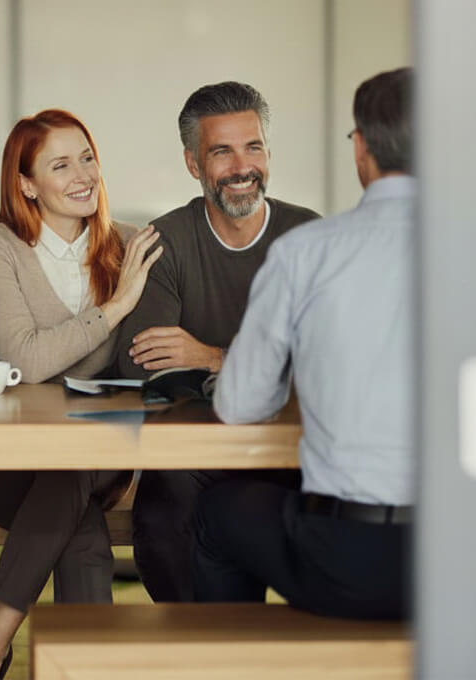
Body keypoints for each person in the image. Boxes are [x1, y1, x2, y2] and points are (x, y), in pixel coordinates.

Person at [192, 67, 415, 619]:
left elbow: (239, 405)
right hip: (469, 562)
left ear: (361, 148)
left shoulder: (305, 250)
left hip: (347, 559)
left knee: (216, 513)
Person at [0, 108, 163, 680]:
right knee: (82, 530)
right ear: (27, 184)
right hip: (8, 464)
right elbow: (25, 360)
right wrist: (115, 309)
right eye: (60, 164)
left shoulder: (131, 246)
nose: (83, 174)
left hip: (100, 461)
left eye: (87, 157)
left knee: (77, 459)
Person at [115, 81, 320, 602]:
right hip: (197, 455)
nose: (241, 166)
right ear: (192, 163)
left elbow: (326, 365)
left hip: (293, 451)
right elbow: (141, 365)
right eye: (221, 151)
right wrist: (270, 362)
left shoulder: (309, 238)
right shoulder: (167, 242)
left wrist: (210, 356)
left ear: (269, 153)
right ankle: (200, 648)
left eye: (253, 147)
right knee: (169, 499)